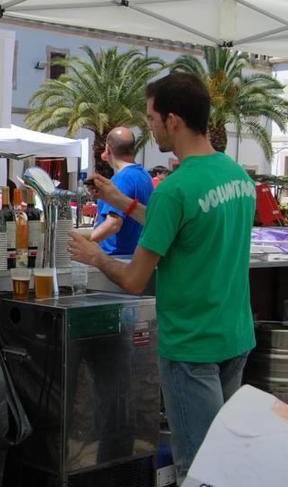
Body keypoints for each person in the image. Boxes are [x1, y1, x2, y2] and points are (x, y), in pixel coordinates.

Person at [67, 72, 256, 483]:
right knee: (228, 463)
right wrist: (124, 203)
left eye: (151, 118)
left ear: (173, 120)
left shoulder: (176, 188)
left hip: (191, 347)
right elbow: (184, 228)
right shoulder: (238, 178)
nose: (149, 128)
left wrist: (94, 255)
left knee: (200, 470)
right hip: (235, 338)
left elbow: (135, 279)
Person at [88, 127, 153, 255]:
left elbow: (113, 224)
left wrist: (83, 242)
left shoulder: (122, 179)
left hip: (116, 258)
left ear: (108, 149)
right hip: (135, 256)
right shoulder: (145, 175)